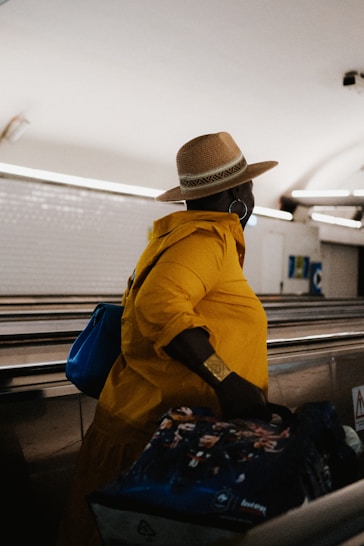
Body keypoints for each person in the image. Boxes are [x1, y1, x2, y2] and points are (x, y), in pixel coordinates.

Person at [56, 131, 278, 545]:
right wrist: (225, 380)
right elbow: (159, 307)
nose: (253, 194)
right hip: (152, 441)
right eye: (249, 185)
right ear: (235, 194)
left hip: (161, 433)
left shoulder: (191, 239)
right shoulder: (203, 241)